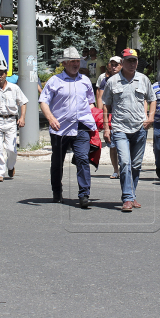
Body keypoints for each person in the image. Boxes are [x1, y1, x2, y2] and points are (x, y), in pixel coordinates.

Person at [40, 47, 97, 207]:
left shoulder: (85, 80)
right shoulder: (54, 81)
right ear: (64, 63)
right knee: (58, 162)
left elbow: (90, 102)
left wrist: (96, 119)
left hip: (81, 126)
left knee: (82, 158)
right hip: (60, 128)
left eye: (77, 61)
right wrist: (51, 118)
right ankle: (57, 191)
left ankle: (84, 194)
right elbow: (43, 101)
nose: (75, 64)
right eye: (72, 61)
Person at [102, 48, 157, 212]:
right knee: (125, 162)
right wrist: (106, 127)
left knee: (136, 164)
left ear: (137, 62)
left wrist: (151, 117)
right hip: (119, 128)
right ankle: (127, 198)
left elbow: (152, 99)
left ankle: (132, 195)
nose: (132, 64)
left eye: (134, 61)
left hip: (140, 128)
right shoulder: (113, 81)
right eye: (128, 61)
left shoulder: (143, 79)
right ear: (122, 63)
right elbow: (105, 104)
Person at [96, 56, 122, 179]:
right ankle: (116, 170)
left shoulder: (125, 79)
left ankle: (125, 168)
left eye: (116, 64)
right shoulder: (104, 81)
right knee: (112, 145)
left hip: (123, 116)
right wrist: (102, 118)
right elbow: (100, 99)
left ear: (122, 65)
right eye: (111, 64)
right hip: (110, 116)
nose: (114, 66)